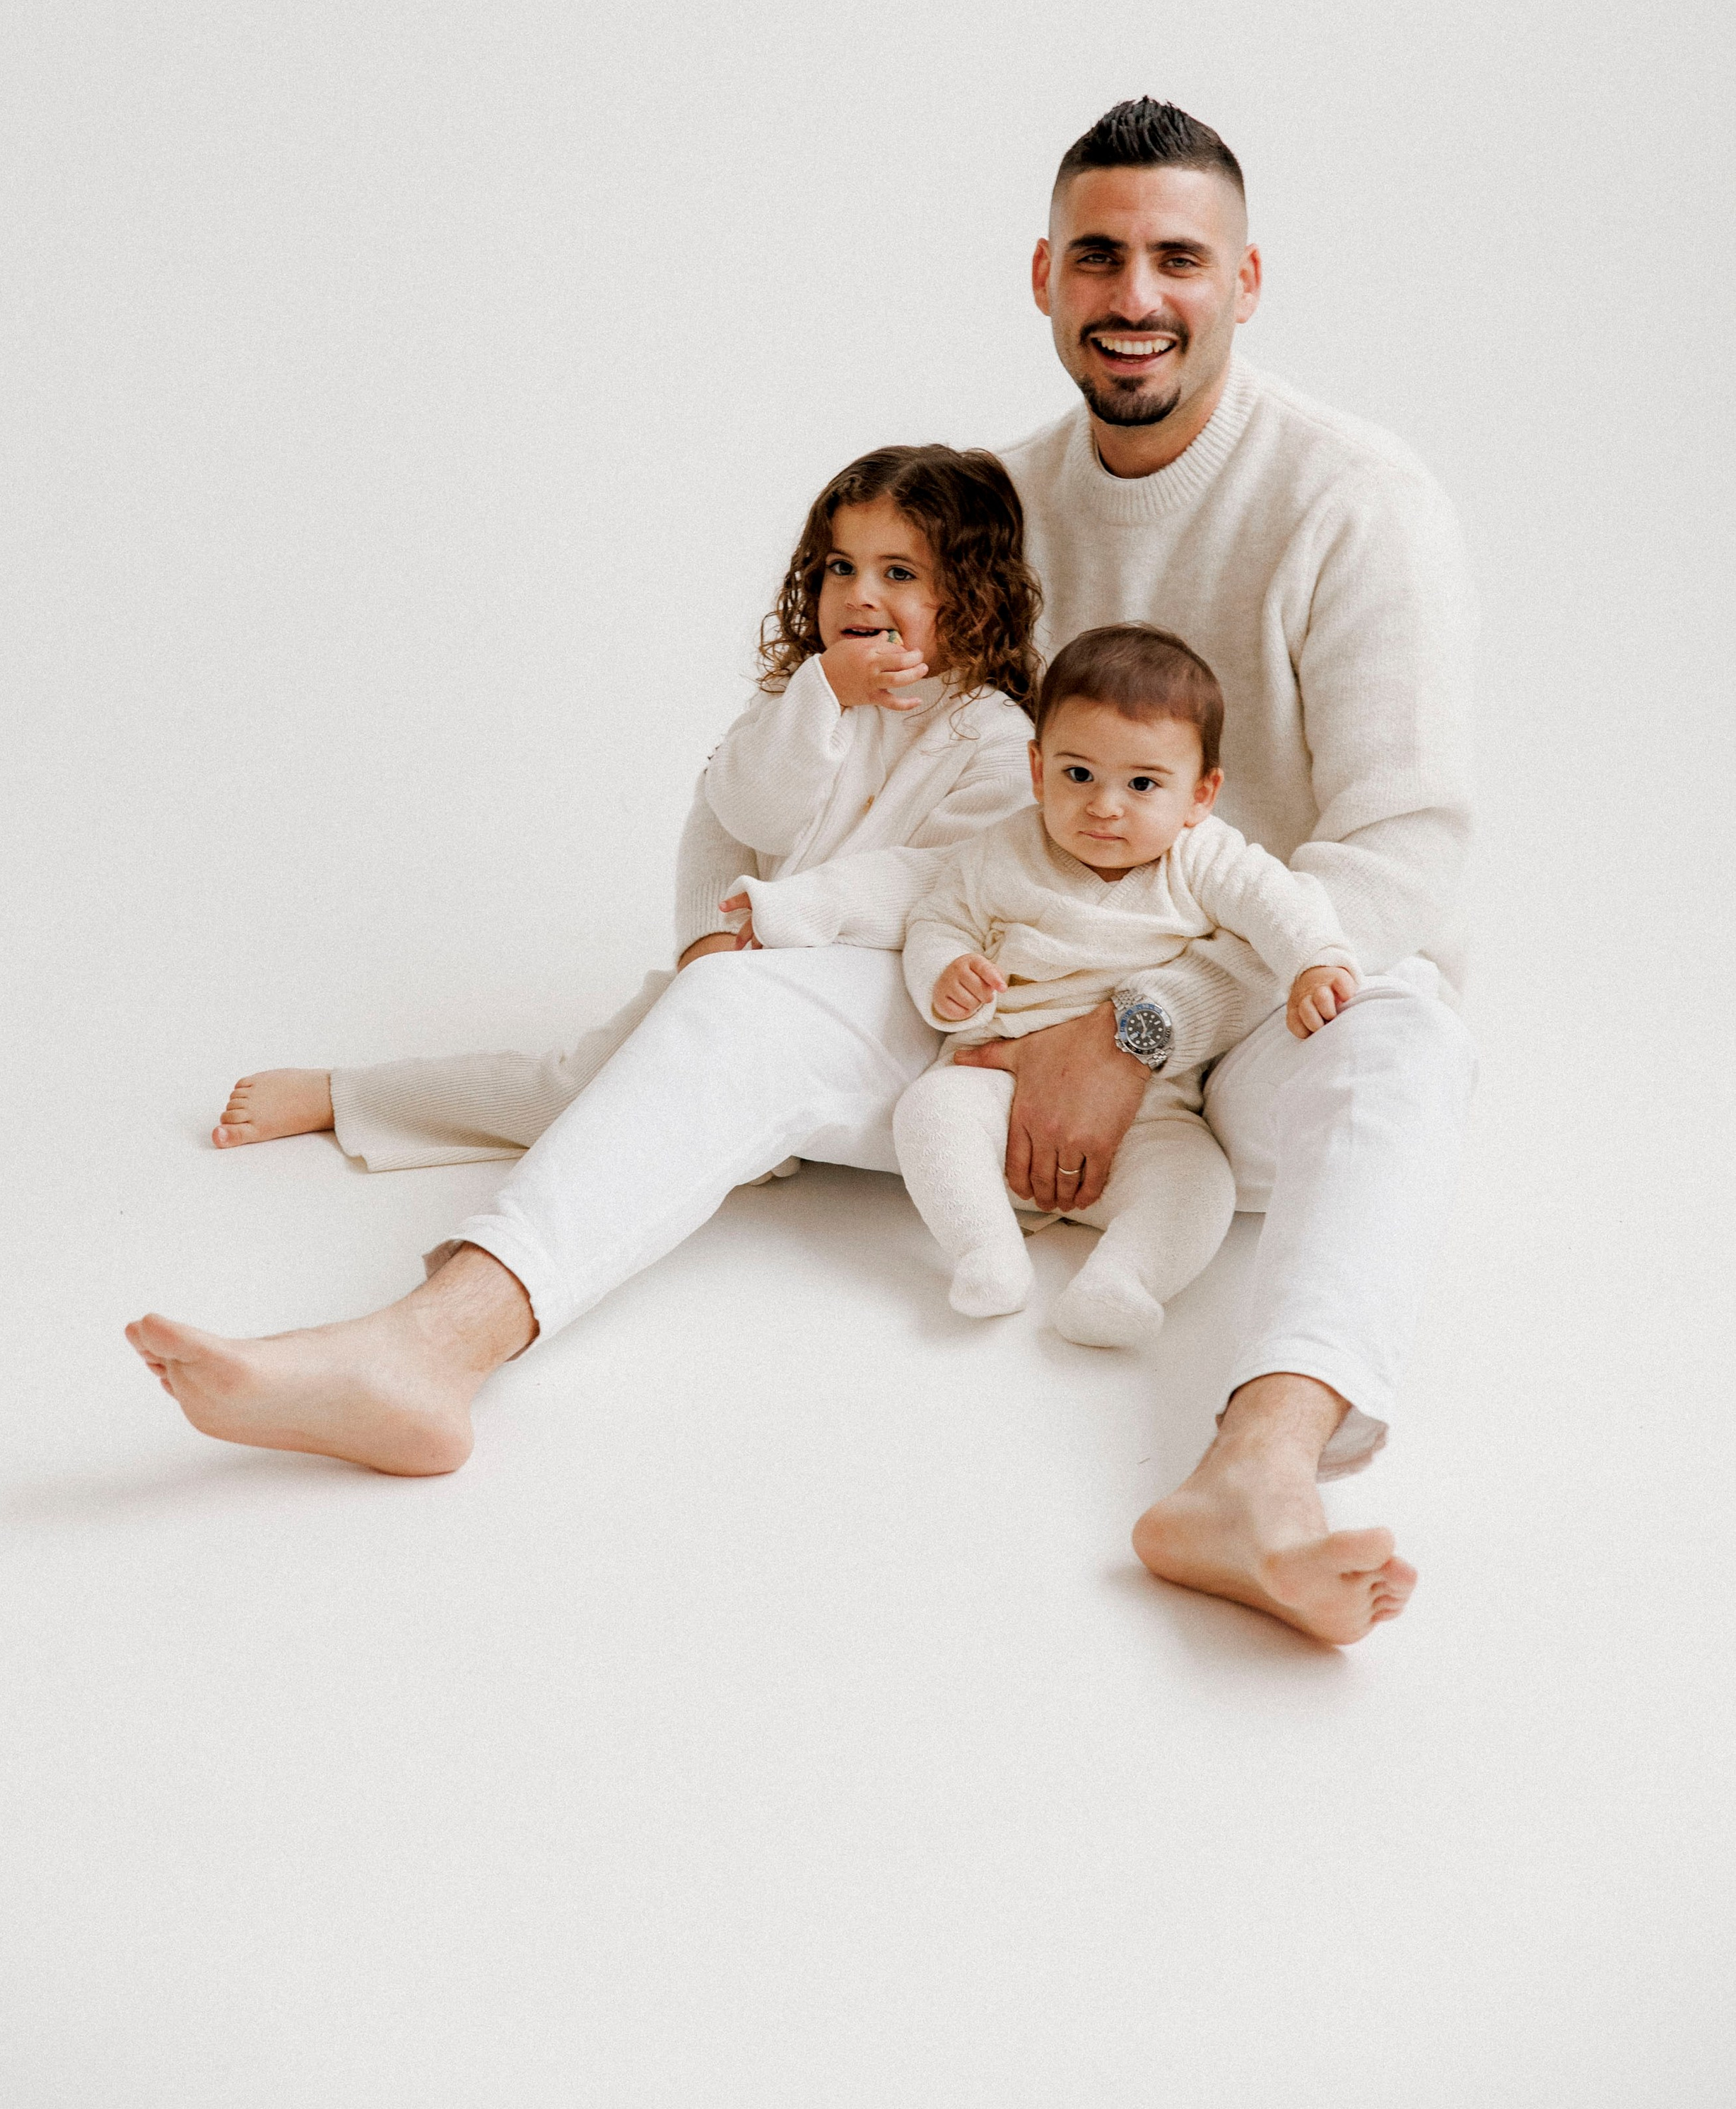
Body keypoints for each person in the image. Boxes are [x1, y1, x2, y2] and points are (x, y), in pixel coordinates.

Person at [130, 95, 1475, 1651]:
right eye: (1097, 256)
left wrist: (1136, 1033)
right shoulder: (995, 504)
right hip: (994, 984)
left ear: (1243, 283)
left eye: (1178, 259)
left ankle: (1255, 1476)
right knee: (745, 1002)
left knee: (1409, 1037)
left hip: (1240, 1008)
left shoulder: (1356, 503)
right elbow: (885, 791)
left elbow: (1402, 858)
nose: (1133, 296)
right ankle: (428, 1347)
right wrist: (797, 927)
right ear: (1041, 275)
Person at [206, 443, 1038, 1177]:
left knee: (695, 1091)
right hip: (738, 971)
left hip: (873, 1003)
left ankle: (749, 1123)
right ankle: (350, 1097)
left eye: (899, 573)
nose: (860, 595)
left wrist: (784, 926)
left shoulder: (993, 736)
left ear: (972, 597)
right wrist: (818, 697)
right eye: (839, 567)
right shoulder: (801, 697)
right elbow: (747, 812)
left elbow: (940, 889)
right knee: (582, 1082)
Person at [888, 622, 1356, 1343]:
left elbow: (1277, 900)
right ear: (1038, 769)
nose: (1105, 805)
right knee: (929, 1110)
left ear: (1201, 793)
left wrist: (1314, 960)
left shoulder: (1199, 857)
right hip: (999, 1080)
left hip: (1147, 1108)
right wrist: (944, 972)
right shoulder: (1000, 852)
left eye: (1142, 784)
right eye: (1078, 775)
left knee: (1200, 1184)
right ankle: (984, 1250)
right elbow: (936, 919)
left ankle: (1120, 1283)